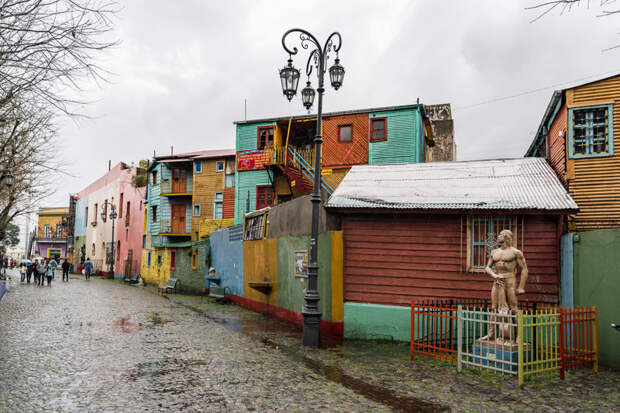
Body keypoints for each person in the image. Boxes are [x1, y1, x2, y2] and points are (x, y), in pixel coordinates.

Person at [483, 229, 529, 342]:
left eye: (500, 235)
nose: (498, 236)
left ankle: (519, 335)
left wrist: (521, 287)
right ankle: (491, 334)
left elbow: (524, 269)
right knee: (494, 307)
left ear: (507, 237)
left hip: (510, 280)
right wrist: (494, 275)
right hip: (498, 280)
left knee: (513, 308)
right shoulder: (494, 252)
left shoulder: (515, 252)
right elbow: (487, 267)